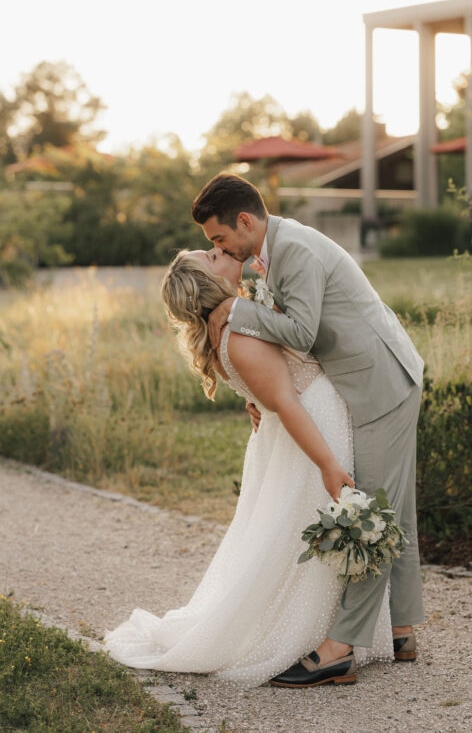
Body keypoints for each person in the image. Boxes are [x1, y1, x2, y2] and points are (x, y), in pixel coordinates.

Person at [102, 248, 394, 688]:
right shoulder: (238, 334)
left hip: (297, 433)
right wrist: (328, 464)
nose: (221, 252)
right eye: (212, 255)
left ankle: (343, 634)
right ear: (208, 284)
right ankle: (316, 638)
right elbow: (287, 401)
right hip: (311, 431)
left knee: (288, 531)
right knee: (304, 529)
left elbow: (268, 382)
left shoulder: (236, 321)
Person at [194, 173, 426, 687]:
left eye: (218, 238)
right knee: (394, 507)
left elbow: (300, 330)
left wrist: (237, 308)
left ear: (245, 221)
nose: (219, 247)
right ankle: (402, 631)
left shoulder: (293, 249)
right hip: (375, 379)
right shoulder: (276, 250)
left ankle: (340, 648)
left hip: (380, 385)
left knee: (372, 513)